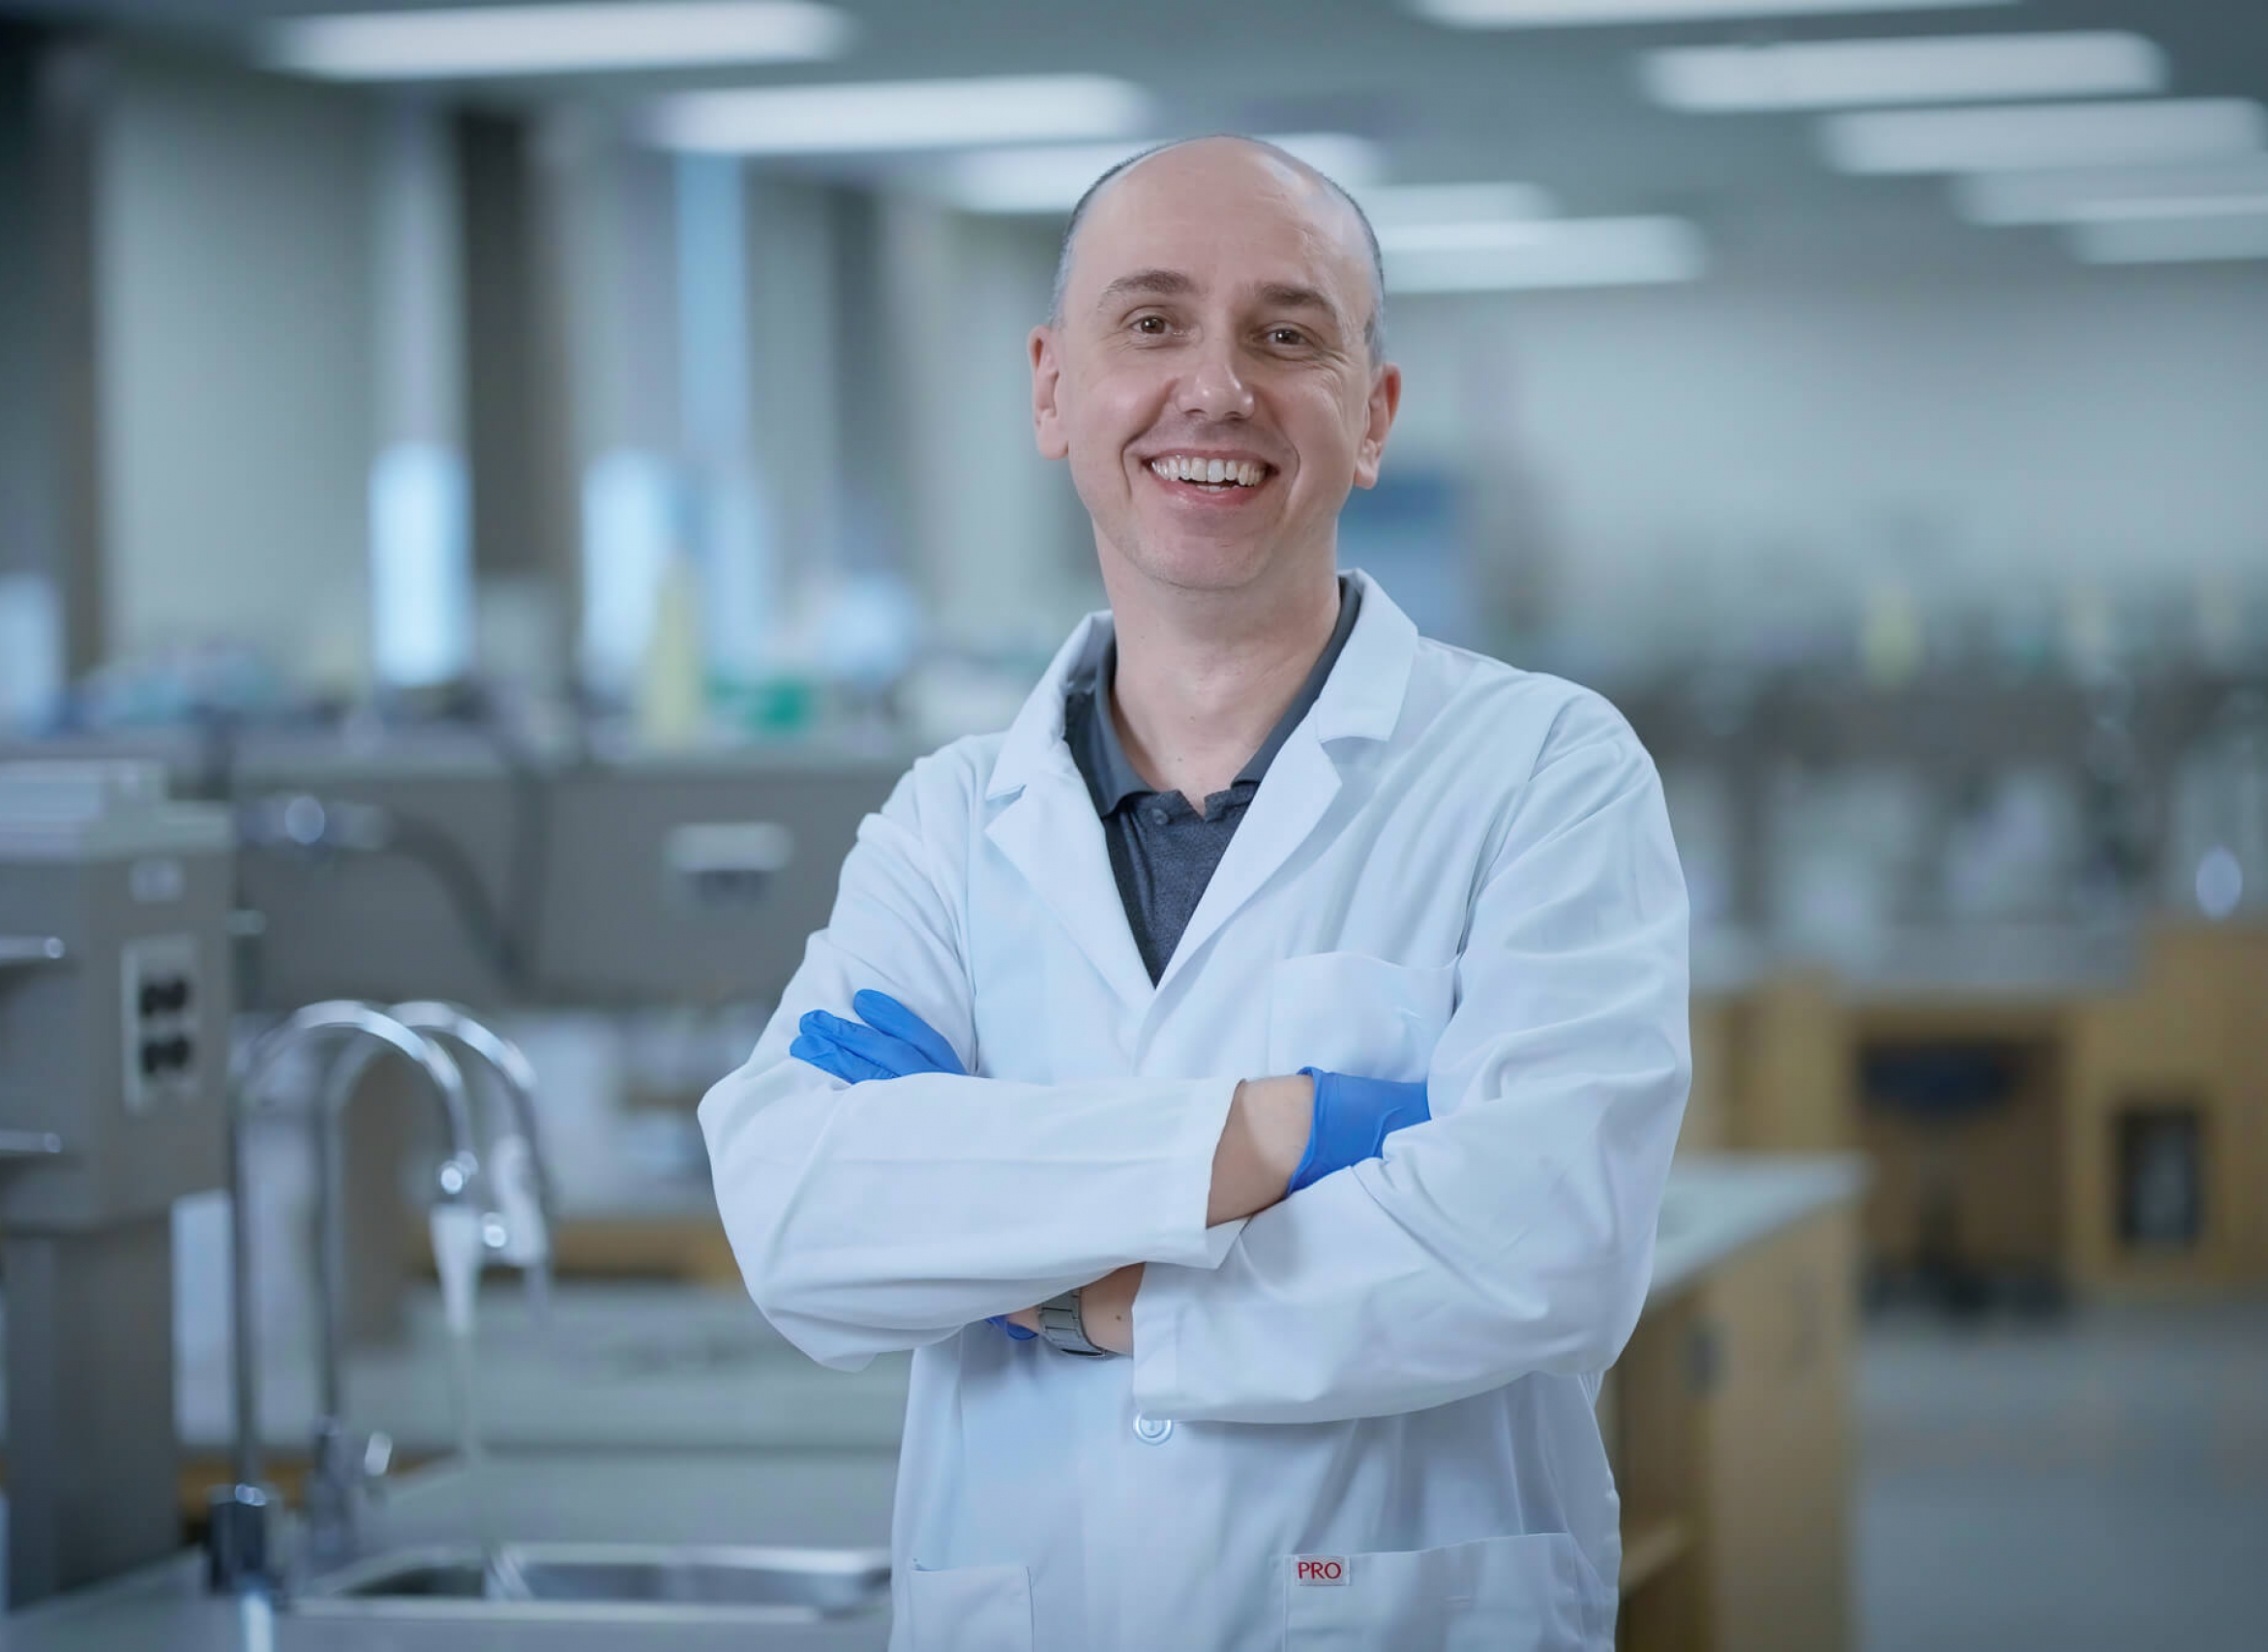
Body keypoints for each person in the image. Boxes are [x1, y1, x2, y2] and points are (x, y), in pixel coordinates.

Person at [699, 135, 1690, 1652]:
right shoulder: (948, 825)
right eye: (1152, 322)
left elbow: (1545, 1245)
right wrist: (1281, 1131)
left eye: (1287, 336)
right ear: (1052, 391)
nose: (1216, 387)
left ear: (1374, 415)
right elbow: (804, 1216)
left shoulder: (1542, 771)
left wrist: (1071, 1294)